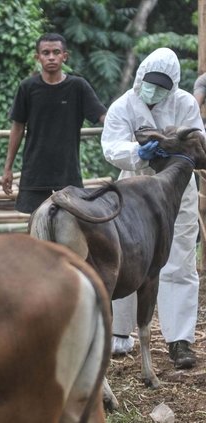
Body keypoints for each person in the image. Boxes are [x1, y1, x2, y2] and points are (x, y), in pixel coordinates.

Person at [101, 47, 203, 369]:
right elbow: (111, 146)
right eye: (150, 82)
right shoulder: (124, 105)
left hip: (176, 192)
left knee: (180, 260)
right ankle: (120, 333)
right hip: (135, 190)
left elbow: (198, 141)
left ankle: (180, 341)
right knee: (131, 255)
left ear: (172, 85)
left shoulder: (185, 104)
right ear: (140, 76)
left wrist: (173, 149)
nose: (154, 90)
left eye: (162, 85)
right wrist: (138, 152)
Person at [2, 33, 107, 213]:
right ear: (38, 57)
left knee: (72, 225)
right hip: (35, 173)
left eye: (56, 52)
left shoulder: (78, 87)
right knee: (35, 227)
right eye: (46, 52)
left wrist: (128, 129)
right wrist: (8, 168)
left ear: (64, 56)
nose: (51, 57)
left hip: (68, 173)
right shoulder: (27, 87)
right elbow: (17, 127)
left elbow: (103, 117)